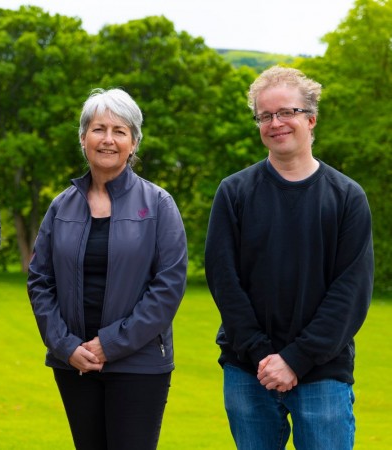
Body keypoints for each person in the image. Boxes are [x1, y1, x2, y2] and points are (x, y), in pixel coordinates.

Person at [205, 65, 374, 450]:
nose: (275, 122)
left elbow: (351, 292)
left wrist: (296, 359)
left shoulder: (347, 198)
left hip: (323, 373)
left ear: (311, 118)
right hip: (249, 370)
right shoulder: (234, 193)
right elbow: (223, 280)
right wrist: (265, 356)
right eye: (265, 115)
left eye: (287, 112)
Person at [27, 88, 188, 450]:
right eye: (99, 129)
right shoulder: (61, 206)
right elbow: (40, 280)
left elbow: (168, 287)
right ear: (83, 138)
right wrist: (67, 346)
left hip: (140, 364)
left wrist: (108, 345)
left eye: (120, 131)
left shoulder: (159, 204)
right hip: (74, 364)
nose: (108, 140)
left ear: (133, 144)